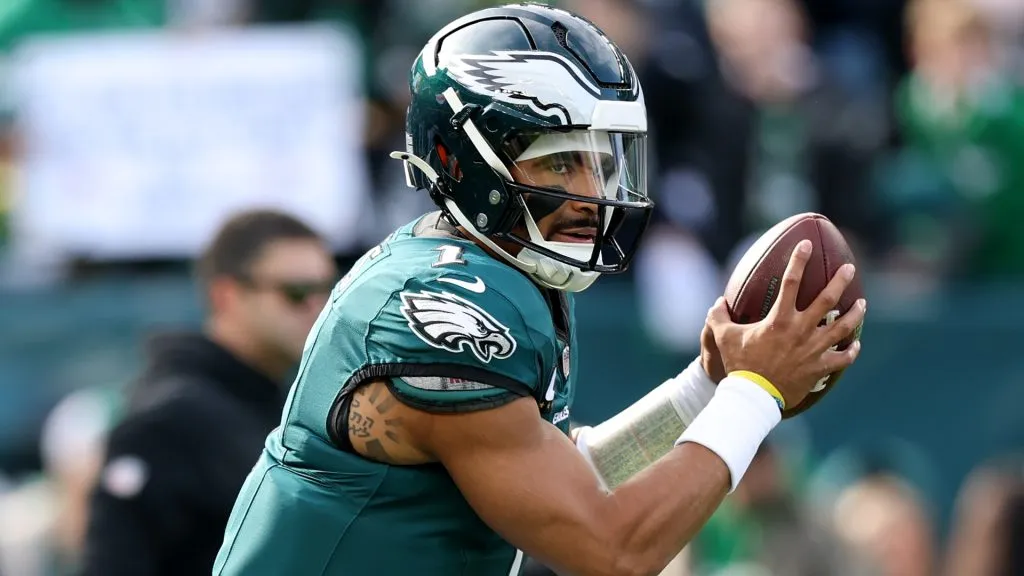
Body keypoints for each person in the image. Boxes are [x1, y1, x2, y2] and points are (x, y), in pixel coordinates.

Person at [213, 4, 866, 576]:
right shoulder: (441, 311)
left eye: (601, 159)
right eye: (560, 160)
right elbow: (610, 549)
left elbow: (560, 480)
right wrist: (755, 395)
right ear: (465, 162)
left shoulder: (494, 271)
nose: (590, 191)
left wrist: (706, 389)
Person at [80, 210, 338, 576]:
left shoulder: (283, 404)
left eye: (327, 292)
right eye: (296, 293)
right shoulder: (168, 421)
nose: (317, 308)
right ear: (227, 295)